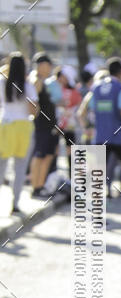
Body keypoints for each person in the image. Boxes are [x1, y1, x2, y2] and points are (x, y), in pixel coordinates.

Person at [91, 57, 121, 217]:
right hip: (119, 138)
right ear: (120, 72)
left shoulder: (96, 87)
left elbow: (92, 109)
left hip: (100, 137)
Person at [0, 52, 37, 214]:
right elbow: (33, 110)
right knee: (20, 168)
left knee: (1, 166)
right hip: (23, 126)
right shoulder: (28, 85)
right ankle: (14, 204)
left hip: (6, 124)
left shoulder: (2, 82)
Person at [29, 52, 61, 197]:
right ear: (42, 65)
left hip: (50, 125)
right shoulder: (36, 81)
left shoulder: (45, 81)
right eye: (49, 65)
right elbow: (32, 103)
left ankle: (41, 186)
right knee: (39, 155)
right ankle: (35, 186)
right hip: (41, 125)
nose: (50, 68)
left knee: (48, 156)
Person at [55, 64, 82, 176]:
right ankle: (53, 173)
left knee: (70, 149)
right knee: (54, 150)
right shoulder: (53, 87)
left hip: (69, 125)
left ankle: (72, 175)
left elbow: (79, 105)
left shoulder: (74, 90)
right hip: (55, 123)